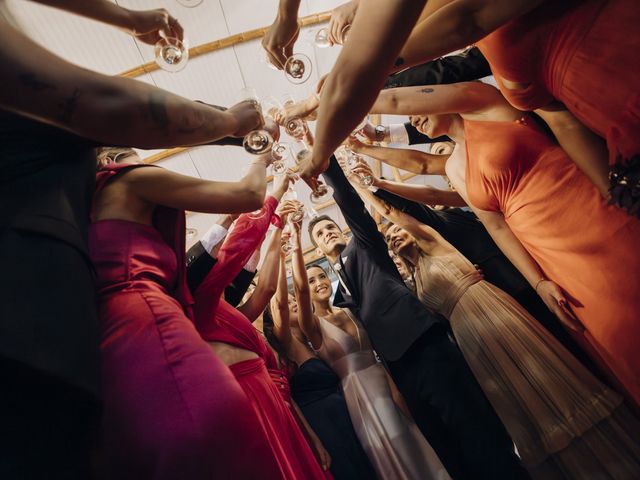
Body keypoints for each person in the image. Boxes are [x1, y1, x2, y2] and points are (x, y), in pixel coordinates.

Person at [0, 1, 264, 476]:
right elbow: (107, 105)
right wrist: (233, 125)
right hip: (45, 341)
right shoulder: (129, 180)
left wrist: (129, 19)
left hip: (82, 350)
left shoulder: (97, 195)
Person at [369, 80, 640, 405]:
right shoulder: (455, 167)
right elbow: (497, 228)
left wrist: (357, 100)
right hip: (549, 250)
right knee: (618, 333)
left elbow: (400, 104)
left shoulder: (484, 104)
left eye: (413, 109)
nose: (412, 119)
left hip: (586, 208)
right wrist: (538, 281)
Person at [354, 177, 640, 479]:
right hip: (467, 335)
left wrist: (360, 186)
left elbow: (392, 212)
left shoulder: (432, 241)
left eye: (396, 231)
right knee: (516, 401)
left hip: (489, 307)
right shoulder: (413, 282)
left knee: (542, 373)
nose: (394, 236)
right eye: (389, 238)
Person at [308, 155, 527, 479]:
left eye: (330, 227)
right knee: (444, 445)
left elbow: (350, 203)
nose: (327, 233)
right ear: (318, 250)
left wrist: (326, 165)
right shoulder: (336, 293)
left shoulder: (364, 246)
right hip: (396, 370)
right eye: (319, 234)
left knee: (474, 427)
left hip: (422, 342)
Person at [396, 0, 640, 210]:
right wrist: (616, 192)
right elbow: (562, 121)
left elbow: (463, 21)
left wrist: (368, 70)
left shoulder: (474, 22)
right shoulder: (495, 56)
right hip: (620, 138)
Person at [191, 178, 330, 479]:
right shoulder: (198, 298)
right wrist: (274, 197)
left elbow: (264, 288)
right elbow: (239, 246)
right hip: (246, 398)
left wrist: (279, 231)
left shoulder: (229, 311)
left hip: (272, 397)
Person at [297, 252, 451, 480]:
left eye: (322, 276)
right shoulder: (312, 326)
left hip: (384, 382)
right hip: (359, 396)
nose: (319, 283)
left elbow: (374, 353)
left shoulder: (349, 310)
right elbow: (298, 289)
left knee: (414, 443)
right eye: (311, 281)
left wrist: (396, 391)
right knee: (393, 452)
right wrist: (293, 247)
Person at [266, 224, 377, 480]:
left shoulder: (312, 337)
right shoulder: (287, 343)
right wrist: (283, 257)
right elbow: (281, 300)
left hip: (349, 415)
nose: (293, 302)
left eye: (296, 302)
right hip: (324, 424)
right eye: (289, 302)